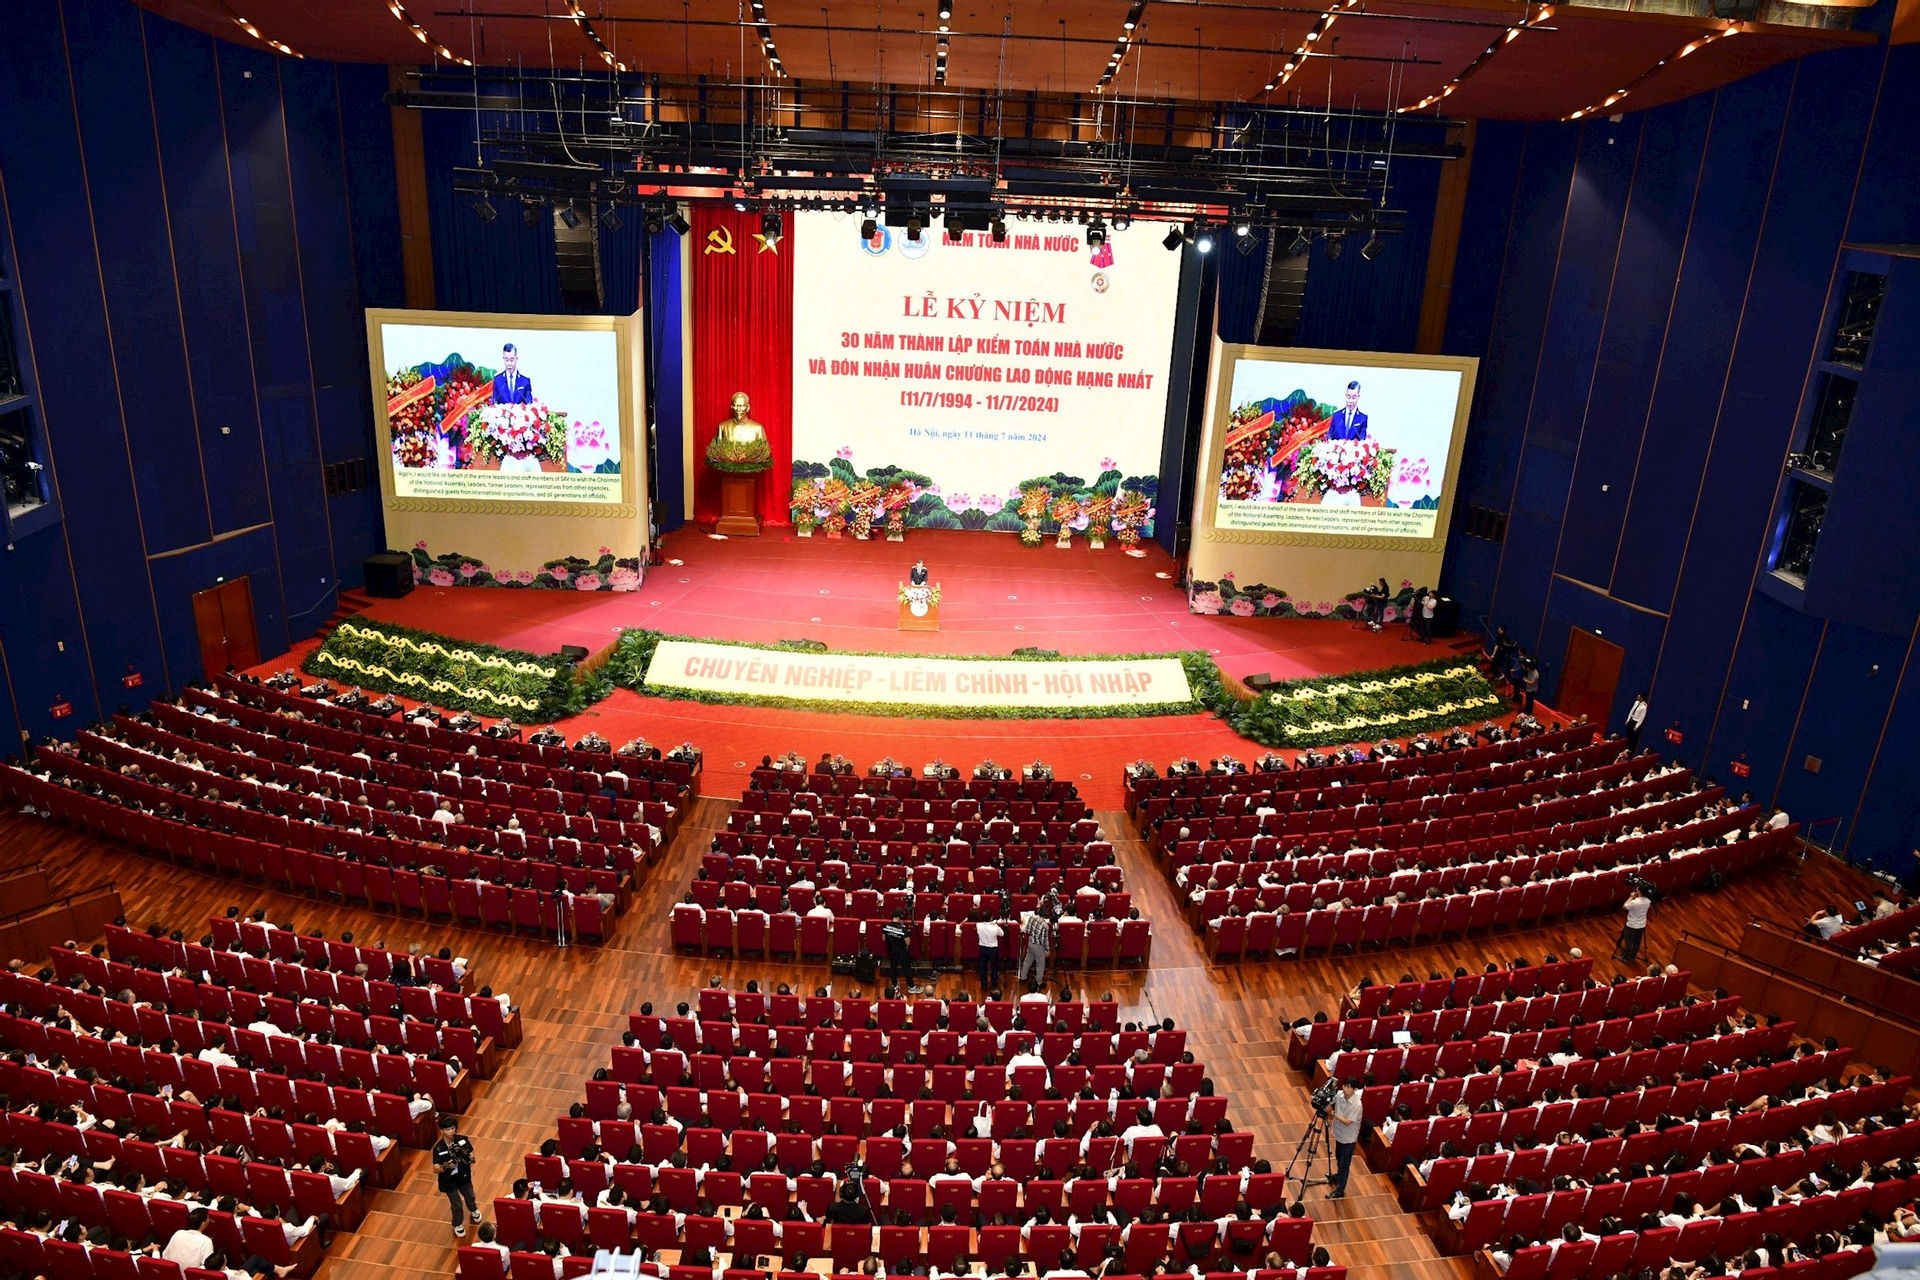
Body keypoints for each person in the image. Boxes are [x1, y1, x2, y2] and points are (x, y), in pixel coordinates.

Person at [433, 1114, 479, 1237]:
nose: (451, 1131)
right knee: (457, 1205)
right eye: (447, 1129)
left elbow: (471, 1151)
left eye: (453, 1128)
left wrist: (471, 1158)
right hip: (449, 1181)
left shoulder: (462, 1140)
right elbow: (435, 1169)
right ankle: (457, 1224)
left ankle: (473, 1209)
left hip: (463, 1176)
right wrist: (447, 1166)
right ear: (442, 1131)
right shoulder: (438, 1148)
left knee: (470, 1196)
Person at [1327, 1079, 1363, 1198]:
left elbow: (1347, 1122)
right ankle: (1338, 1176)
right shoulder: (1339, 1095)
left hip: (1348, 1138)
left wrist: (1332, 1113)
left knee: (1345, 1164)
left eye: (1349, 1087)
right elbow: (1330, 1101)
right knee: (1338, 1158)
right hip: (1338, 1134)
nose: (1345, 1089)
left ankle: (1340, 1190)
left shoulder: (1357, 1104)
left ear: (1354, 1089)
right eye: (1345, 1086)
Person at [1017, 909, 1053, 991]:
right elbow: (1045, 940)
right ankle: (1039, 982)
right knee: (1040, 965)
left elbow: (1028, 930)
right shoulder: (1045, 926)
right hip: (1038, 946)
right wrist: (1047, 950)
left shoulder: (1031, 918)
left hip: (1030, 943)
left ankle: (1023, 977)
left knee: (1027, 961)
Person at [1618, 884, 1652, 962]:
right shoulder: (1648, 901)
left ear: (1639, 891)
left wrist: (1631, 897)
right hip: (1642, 925)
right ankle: (1632, 956)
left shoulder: (1635, 902)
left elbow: (1625, 906)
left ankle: (1625, 957)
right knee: (1637, 943)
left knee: (1628, 942)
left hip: (1632, 925)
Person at [976, 917, 1004, 993]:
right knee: (994, 967)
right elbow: (1002, 934)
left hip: (983, 948)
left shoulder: (978, 925)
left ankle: (984, 985)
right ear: (991, 918)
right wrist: (995, 924)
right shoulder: (995, 927)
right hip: (993, 949)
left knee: (983, 967)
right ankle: (994, 984)